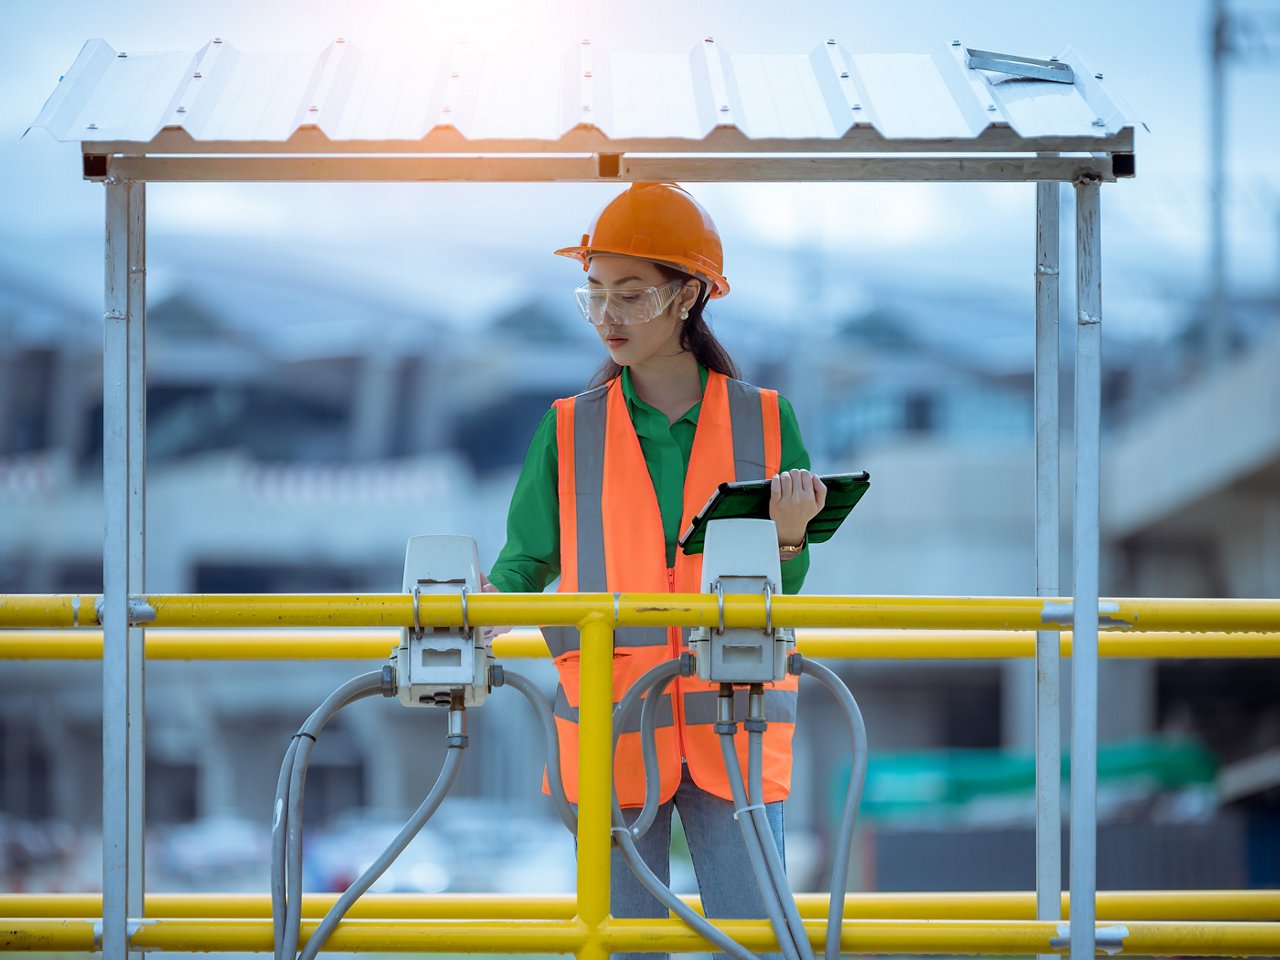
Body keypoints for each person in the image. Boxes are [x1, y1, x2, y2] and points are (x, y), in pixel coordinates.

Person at [486, 181, 825, 959]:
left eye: (631, 295)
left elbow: (785, 591)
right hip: (614, 727)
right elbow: (524, 560)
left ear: (690, 297)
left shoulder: (768, 420)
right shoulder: (567, 429)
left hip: (733, 721)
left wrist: (790, 538)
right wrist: (483, 606)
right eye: (595, 293)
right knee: (622, 949)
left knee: (756, 945)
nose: (608, 315)